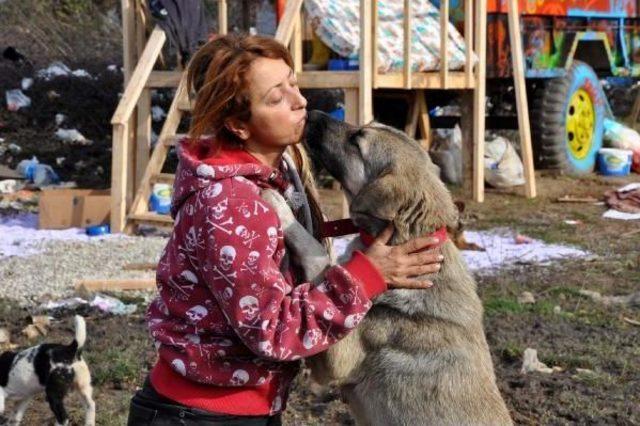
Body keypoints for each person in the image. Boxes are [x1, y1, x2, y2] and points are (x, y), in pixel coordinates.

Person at [127, 34, 443, 426]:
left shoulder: (275, 170)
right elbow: (272, 331)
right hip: (201, 415)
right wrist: (367, 276)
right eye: (276, 98)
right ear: (238, 125)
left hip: (242, 408)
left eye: (293, 83)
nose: (300, 101)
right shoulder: (232, 206)